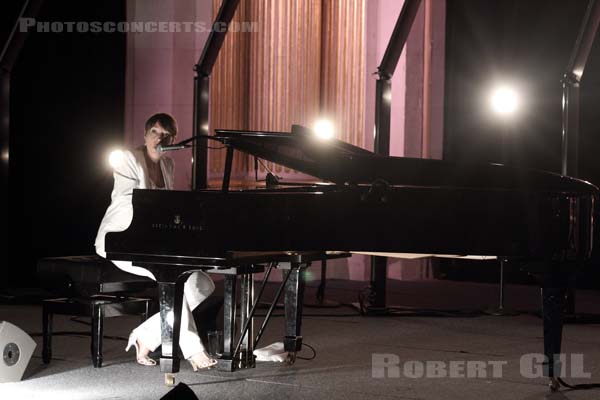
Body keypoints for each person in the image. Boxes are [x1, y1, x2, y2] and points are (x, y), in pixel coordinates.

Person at [94, 113, 217, 370]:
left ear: (172, 140)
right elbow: (131, 201)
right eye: (154, 133)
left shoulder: (168, 165)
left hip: (153, 241)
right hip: (121, 238)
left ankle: (146, 335)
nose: (158, 139)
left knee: (203, 284)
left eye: (165, 135)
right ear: (145, 135)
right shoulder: (129, 159)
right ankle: (193, 350)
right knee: (176, 282)